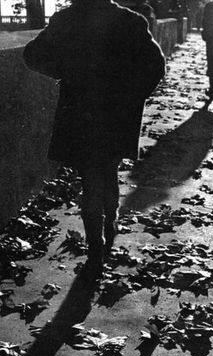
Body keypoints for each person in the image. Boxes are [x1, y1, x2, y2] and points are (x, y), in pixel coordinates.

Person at [23, 0, 166, 274]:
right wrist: (133, 97)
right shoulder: (131, 21)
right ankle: (110, 221)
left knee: (89, 177)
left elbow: (32, 55)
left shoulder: (66, 19)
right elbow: (156, 65)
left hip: (79, 110)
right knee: (109, 168)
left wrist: (65, 71)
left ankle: (94, 246)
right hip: (117, 113)